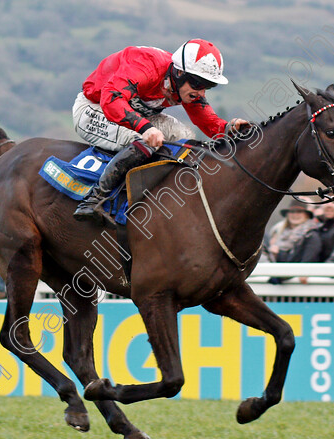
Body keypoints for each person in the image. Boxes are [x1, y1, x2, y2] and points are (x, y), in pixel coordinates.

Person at [72, 39, 249, 221]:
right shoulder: (147, 66)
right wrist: (145, 128)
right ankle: (94, 199)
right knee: (145, 141)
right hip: (95, 108)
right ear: (179, 72)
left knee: (185, 137)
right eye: (198, 84)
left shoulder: (184, 83)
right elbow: (112, 98)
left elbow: (208, 122)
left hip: (131, 111)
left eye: (208, 86)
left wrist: (229, 129)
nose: (202, 92)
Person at [265, 200, 321, 284]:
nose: (295, 215)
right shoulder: (281, 234)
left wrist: (278, 253)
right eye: (292, 212)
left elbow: (306, 261)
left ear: (306, 215)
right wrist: (273, 254)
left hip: (300, 284)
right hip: (281, 283)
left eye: (299, 212)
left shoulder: (311, 236)